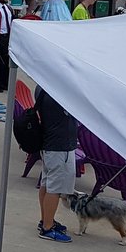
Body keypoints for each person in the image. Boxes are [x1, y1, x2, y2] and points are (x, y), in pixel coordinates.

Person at [35, 86, 77, 243]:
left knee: (47, 184)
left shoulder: (43, 87)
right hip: (60, 147)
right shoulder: (59, 94)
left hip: (50, 144)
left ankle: (46, 220)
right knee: (55, 188)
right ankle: (47, 227)